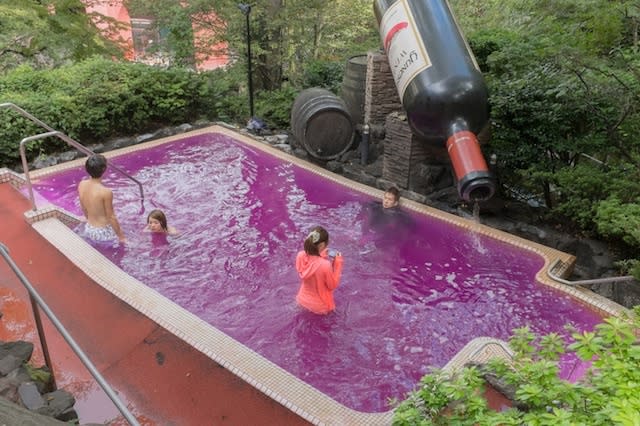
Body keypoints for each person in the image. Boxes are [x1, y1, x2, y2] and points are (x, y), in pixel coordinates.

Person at [77, 154, 126, 244]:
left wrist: (88, 219)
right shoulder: (105, 192)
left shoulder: (82, 184)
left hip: (89, 229)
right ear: (104, 169)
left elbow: (83, 207)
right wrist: (121, 237)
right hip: (103, 233)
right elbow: (111, 217)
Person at [295, 226, 344, 314]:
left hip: (302, 301)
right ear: (322, 245)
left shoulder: (300, 256)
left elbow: (312, 262)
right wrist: (338, 263)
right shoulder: (325, 265)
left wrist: (320, 254)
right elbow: (332, 285)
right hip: (320, 307)